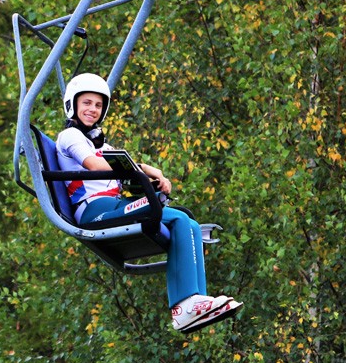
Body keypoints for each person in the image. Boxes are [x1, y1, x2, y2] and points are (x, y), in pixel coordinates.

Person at [55, 73, 243, 333]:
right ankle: (184, 306)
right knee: (173, 216)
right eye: (86, 103)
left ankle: (196, 299)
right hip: (93, 212)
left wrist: (151, 172)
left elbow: (124, 165)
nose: (92, 110)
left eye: (98, 105)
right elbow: (95, 165)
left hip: (113, 205)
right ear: (72, 104)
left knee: (187, 221)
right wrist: (140, 172)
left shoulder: (98, 143)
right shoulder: (70, 136)